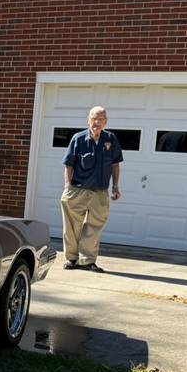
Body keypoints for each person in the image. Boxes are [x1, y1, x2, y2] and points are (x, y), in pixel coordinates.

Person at [60, 105, 122, 272]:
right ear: (88, 120)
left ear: (105, 122)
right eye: (94, 119)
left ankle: (87, 260)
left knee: (95, 226)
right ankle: (72, 259)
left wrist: (115, 186)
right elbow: (68, 164)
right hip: (78, 189)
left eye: (100, 119)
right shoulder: (78, 139)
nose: (97, 122)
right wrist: (67, 186)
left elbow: (115, 164)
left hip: (100, 191)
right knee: (72, 225)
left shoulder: (111, 139)